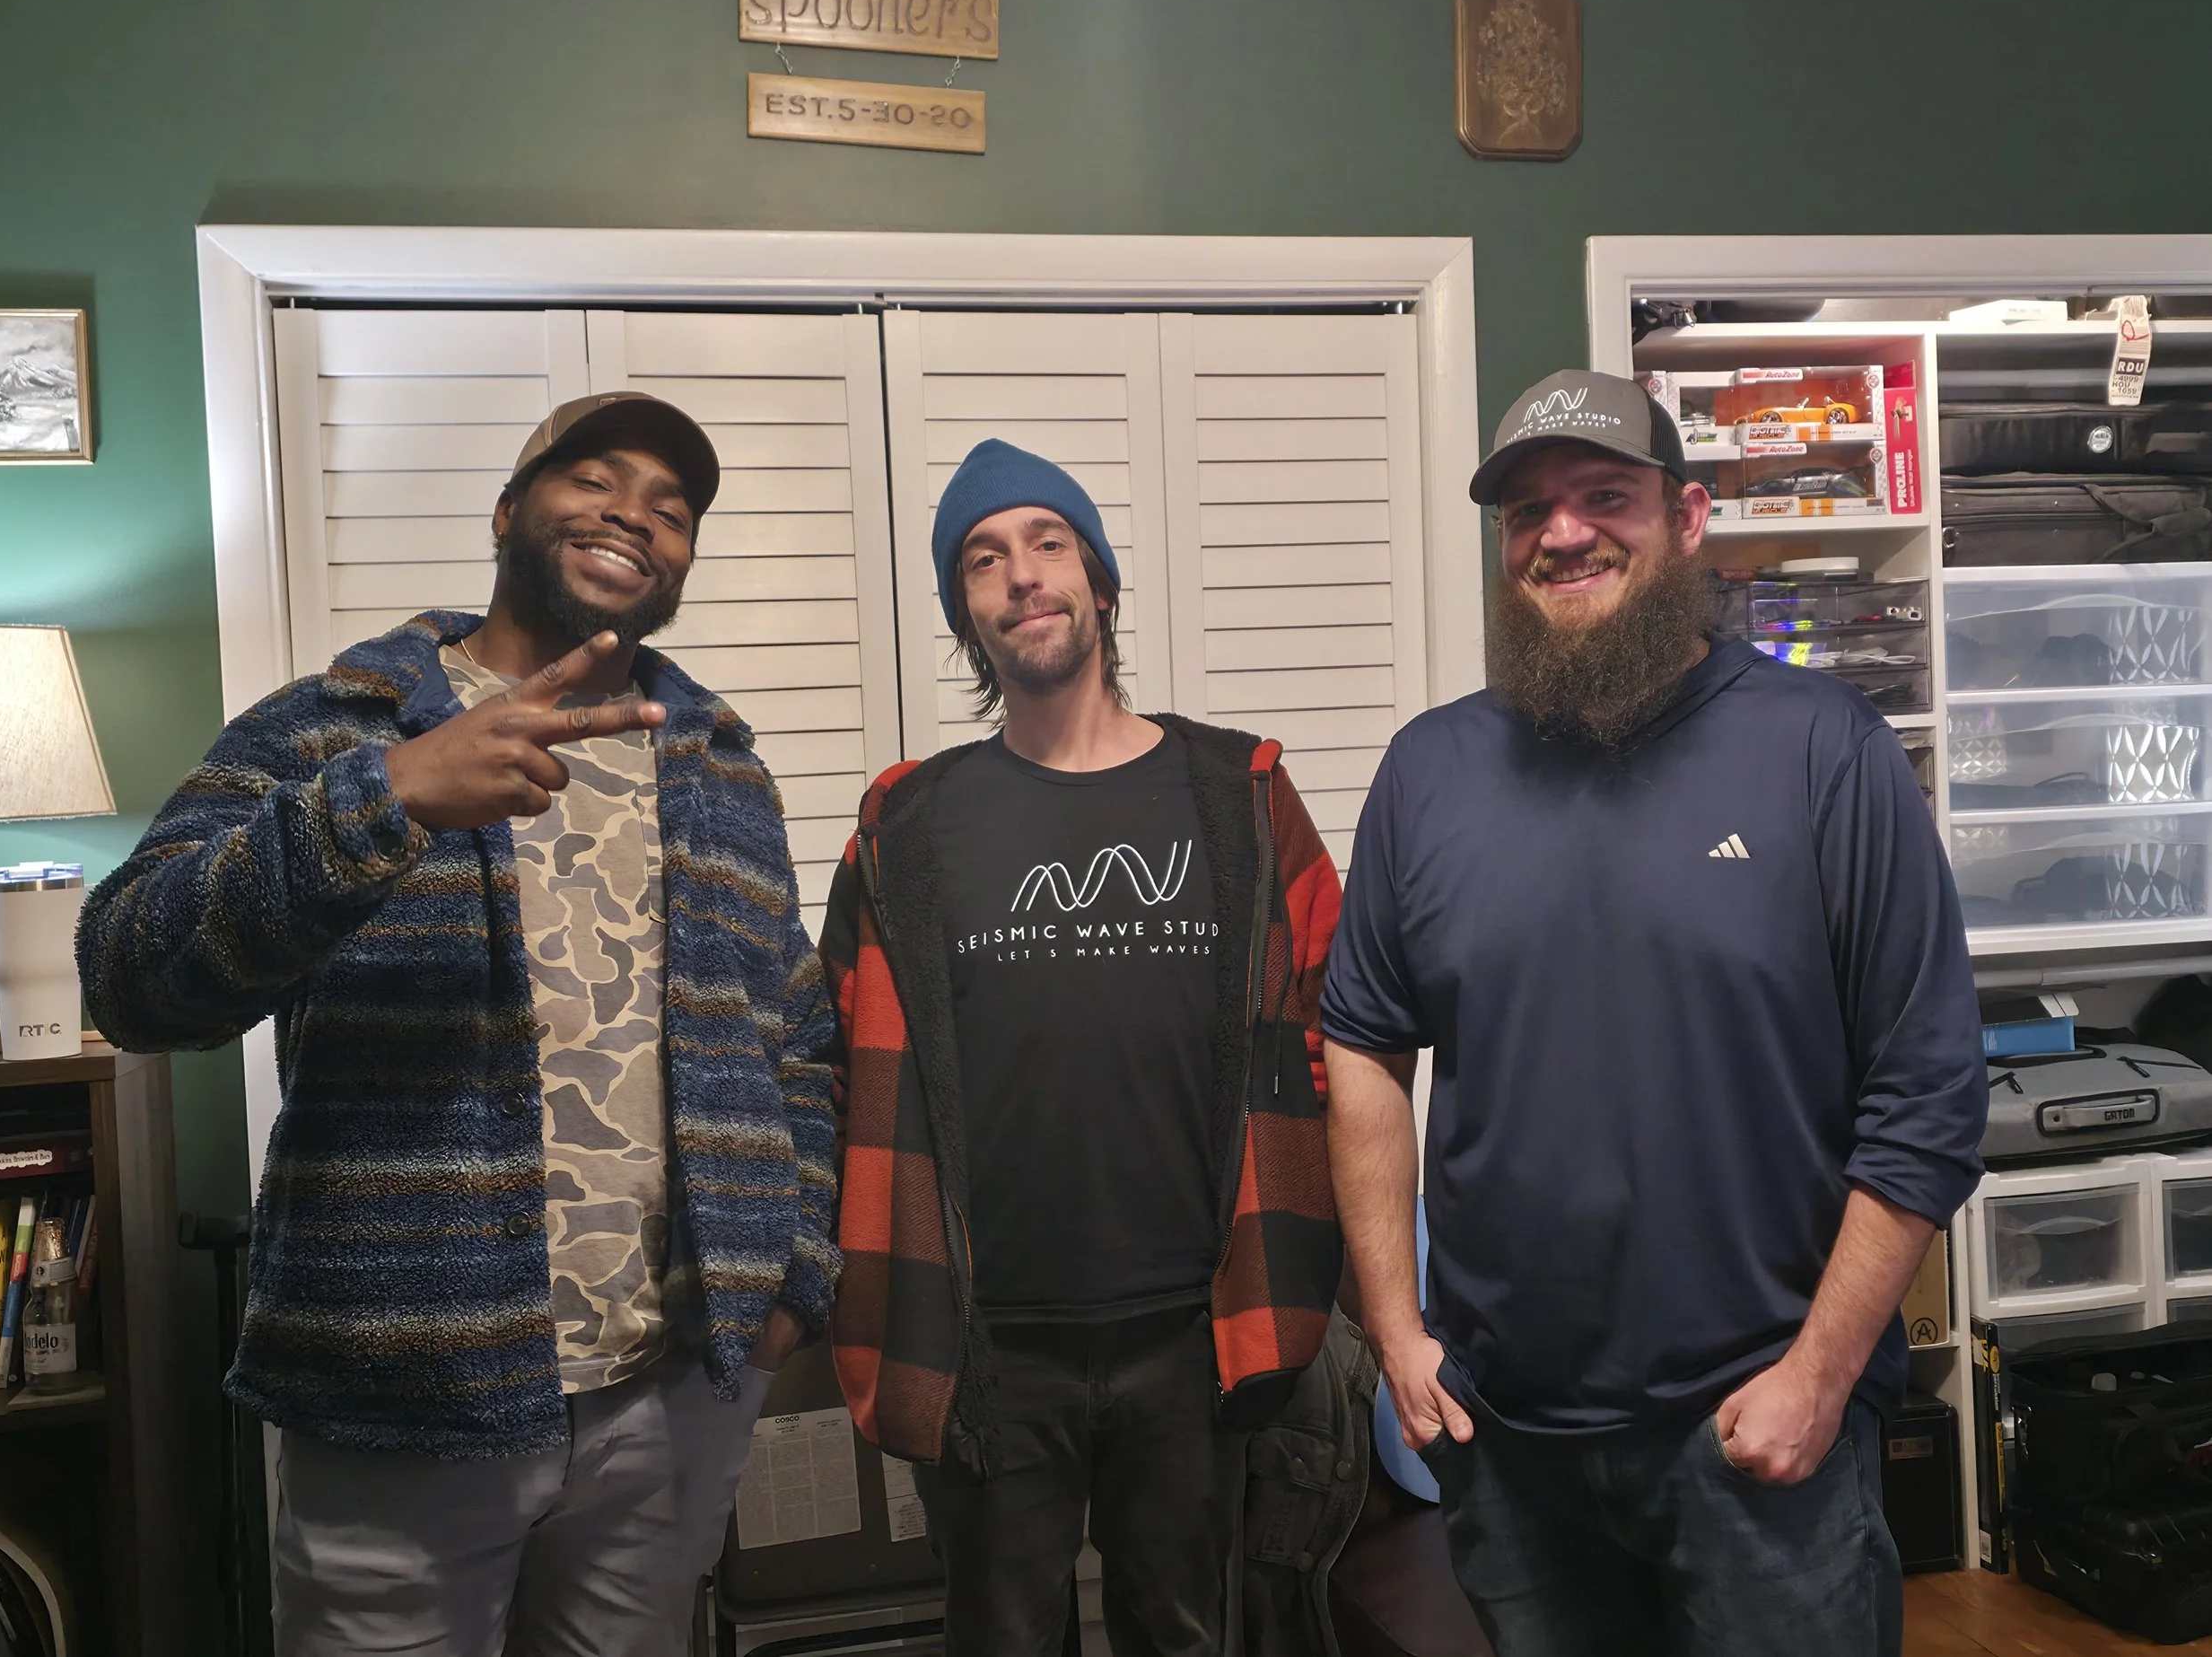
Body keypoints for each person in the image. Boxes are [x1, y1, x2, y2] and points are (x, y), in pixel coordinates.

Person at [78, 392, 839, 1657]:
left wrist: (790, 1278)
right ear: (508, 510)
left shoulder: (724, 771)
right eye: (596, 479)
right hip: (401, 1398)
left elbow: (800, 1042)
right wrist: (390, 798)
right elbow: (129, 972)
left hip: (668, 1406)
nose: (634, 517)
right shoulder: (338, 726)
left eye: (672, 508)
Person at [1320, 370, 1986, 1657]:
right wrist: (1394, 1332)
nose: (1562, 532)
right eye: (1528, 510)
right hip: (1509, 1444)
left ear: (1687, 518)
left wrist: (1823, 1373)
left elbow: (1930, 1090)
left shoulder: (1823, 750)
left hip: (1759, 1437)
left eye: (1603, 496)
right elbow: (1362, 1041)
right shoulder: (1430, 772)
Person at [817, 440, 1344, 1657]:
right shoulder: (908, 823)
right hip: (985, 1338)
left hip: (1198, 1328)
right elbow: (837, 1064)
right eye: (983, 559)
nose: (1021, 575)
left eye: (1048, 543)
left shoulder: (1242, 793)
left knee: (1185, 1634)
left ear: (1099, 583)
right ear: (966, 613)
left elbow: (1336, 1031)